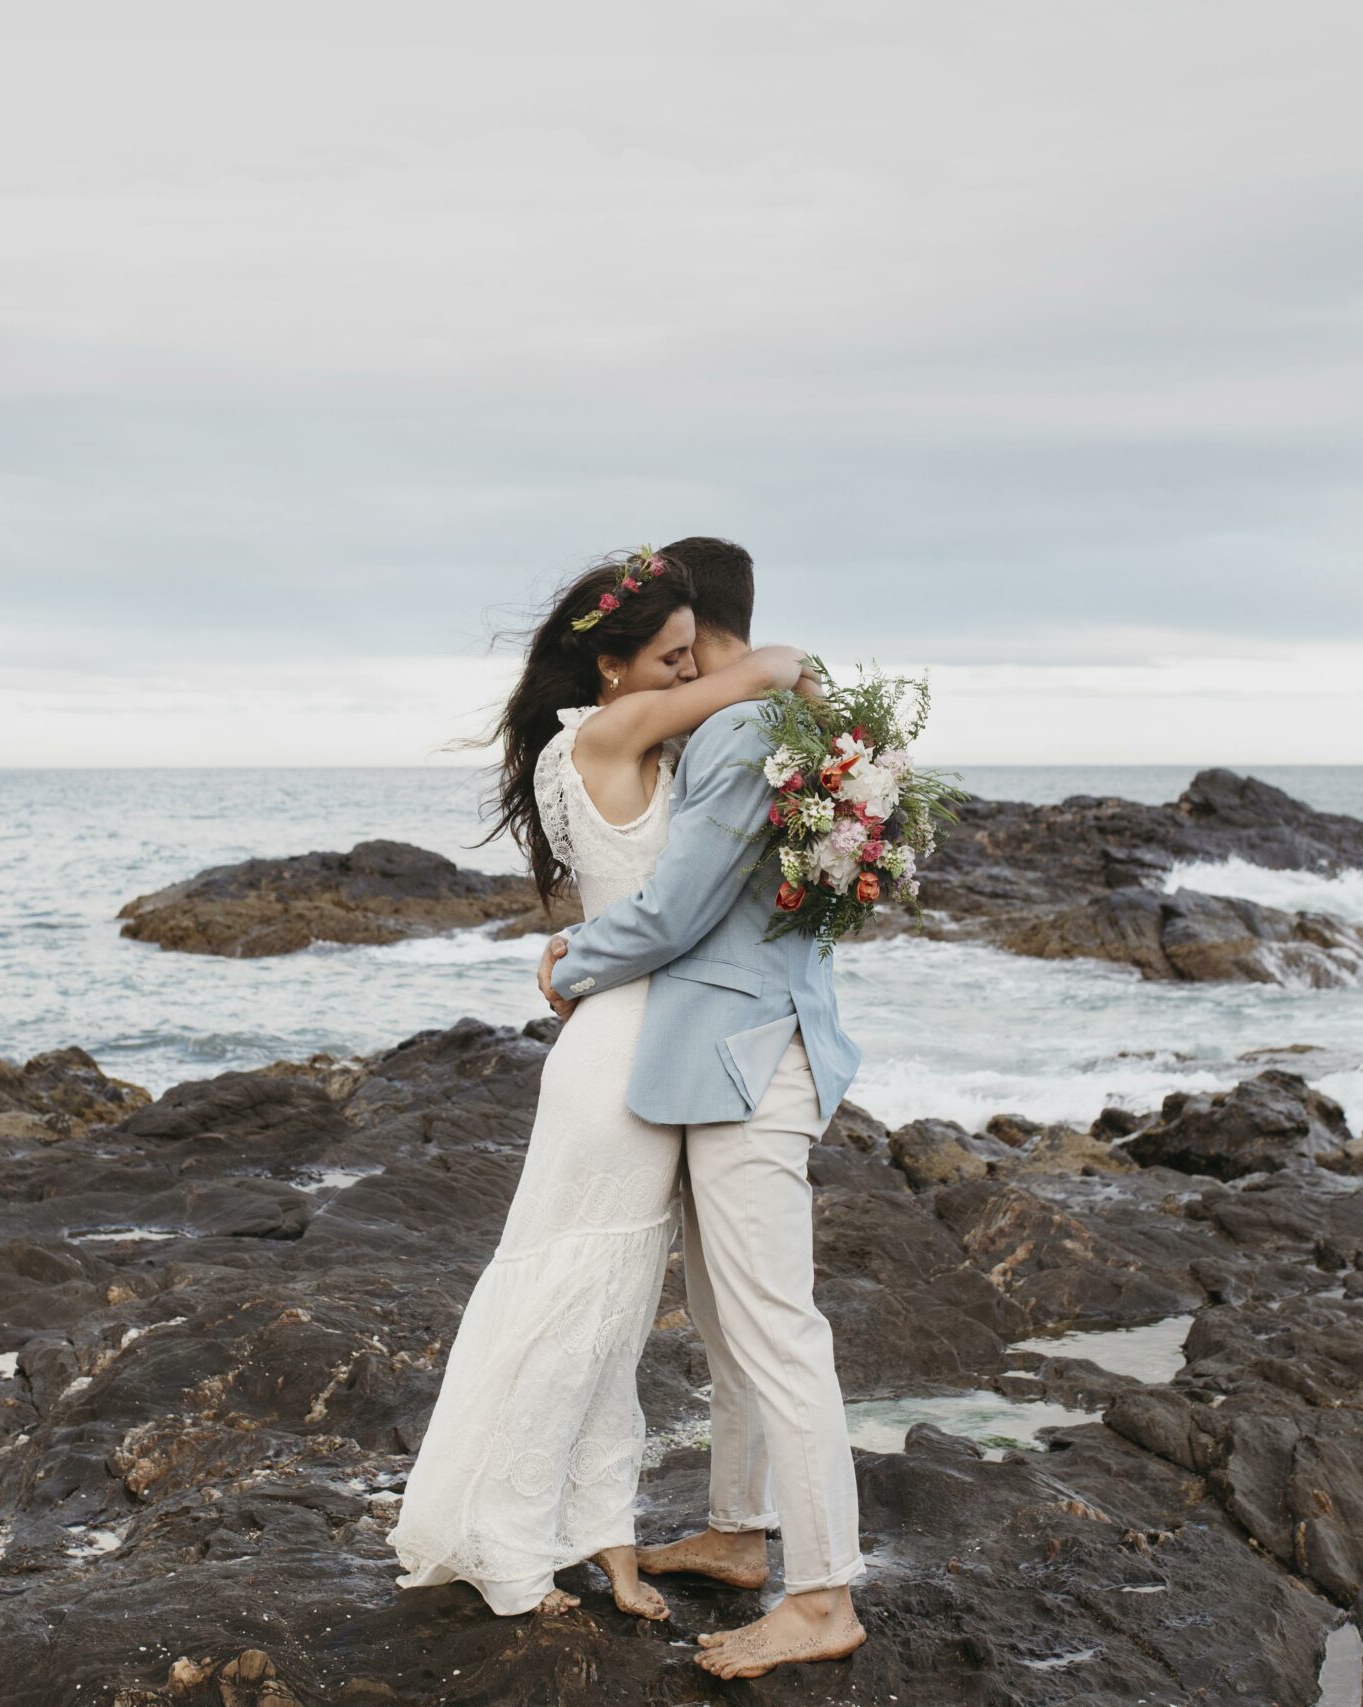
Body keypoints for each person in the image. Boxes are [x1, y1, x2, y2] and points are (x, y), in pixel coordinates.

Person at [389, 544, 814, 1622]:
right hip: (619, 1051)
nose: (685, 674)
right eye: (668, 657)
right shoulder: (606, 729)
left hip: (637, 1035)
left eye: (688, 653)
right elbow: (765, 671)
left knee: (613, 1311)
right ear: (612, 667)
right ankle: (519, 1542)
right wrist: (788, 667)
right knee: (575, 1298)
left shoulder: (620, 739)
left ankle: (603, 1540)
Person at [535, 535, 871, 1679]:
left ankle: (822, 1595)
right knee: (730, 1322)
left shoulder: (736, 727)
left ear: (692, 623)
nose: (679, 671)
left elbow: (676, 909)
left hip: (743, 1060)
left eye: (681, 647)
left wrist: (570, 961)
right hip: (740, 1047)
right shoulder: (781, 716)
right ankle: (738, 1533)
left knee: (774, 1327)